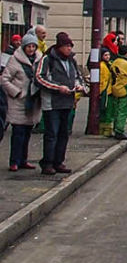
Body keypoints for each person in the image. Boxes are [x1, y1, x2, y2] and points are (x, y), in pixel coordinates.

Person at [35, 32, 87, 174]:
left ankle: (59, 161)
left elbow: (77, 76)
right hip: (52, 103)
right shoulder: (48, 59)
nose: (69, 49)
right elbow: (39, 78)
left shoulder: (71, 60)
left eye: (70, 46)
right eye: (66, 46)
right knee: (52, 133)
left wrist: (79, 85)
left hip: (67, 101)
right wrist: (58, 87)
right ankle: (47, 163)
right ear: (59, 46)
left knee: (64, 133)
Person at [2, 32, 42, 170]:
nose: (31, 49)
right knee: (18, 133)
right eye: (29, 46)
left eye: (33, 46)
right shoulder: (15, 60)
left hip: (33, 101)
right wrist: (16, 92)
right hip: (18, 102)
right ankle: (14, 161)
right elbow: (4, 79)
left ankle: (23, 160)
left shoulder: (39, 59)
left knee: (27, 133)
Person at [103, 36, 127, 141]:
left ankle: (115, 128)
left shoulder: (115, 62)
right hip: (125, 88)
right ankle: (119, 130)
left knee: (116, 110)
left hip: (115, 88)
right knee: (123, 110)